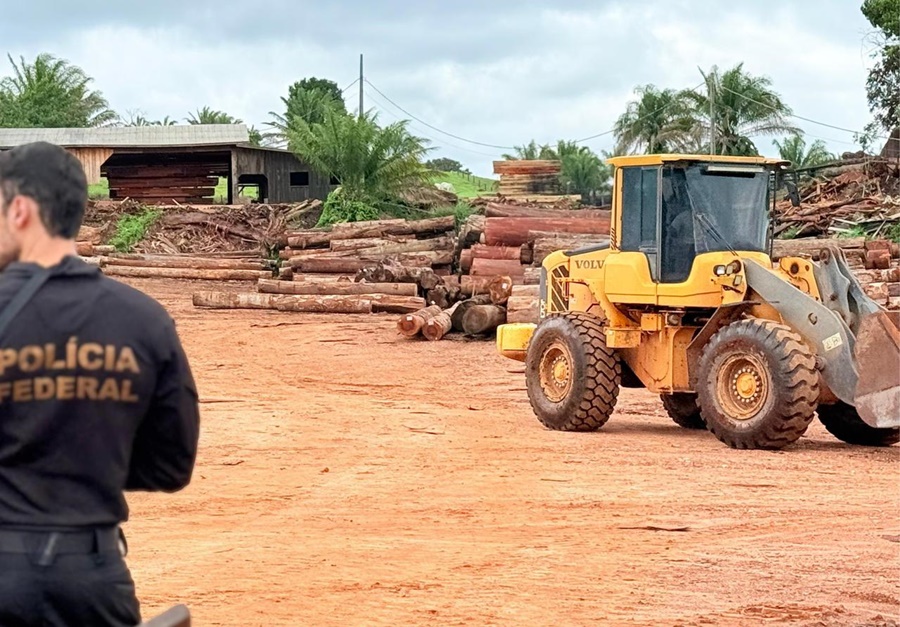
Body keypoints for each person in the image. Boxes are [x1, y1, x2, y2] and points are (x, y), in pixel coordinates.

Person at [0, 142, 201, 626]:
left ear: (21, 211)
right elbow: (172, 466)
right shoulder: (144, 320)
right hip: (93, 578)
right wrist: (88, 458)